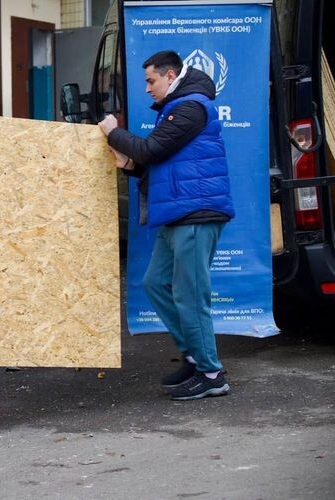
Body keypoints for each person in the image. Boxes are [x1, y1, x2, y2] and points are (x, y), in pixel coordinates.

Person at [98, 50, 235, 401]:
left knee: (191, 296)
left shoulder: (191, 107)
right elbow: (160, 164)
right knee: (156, 283)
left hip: (195, 215)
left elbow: (152, 150)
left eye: (151, 80)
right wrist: (129, 165)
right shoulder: (177, 110)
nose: (147, 89)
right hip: (178, 215)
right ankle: (194, 355)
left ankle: (211, 373)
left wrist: (115, 133)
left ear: (170, 75)